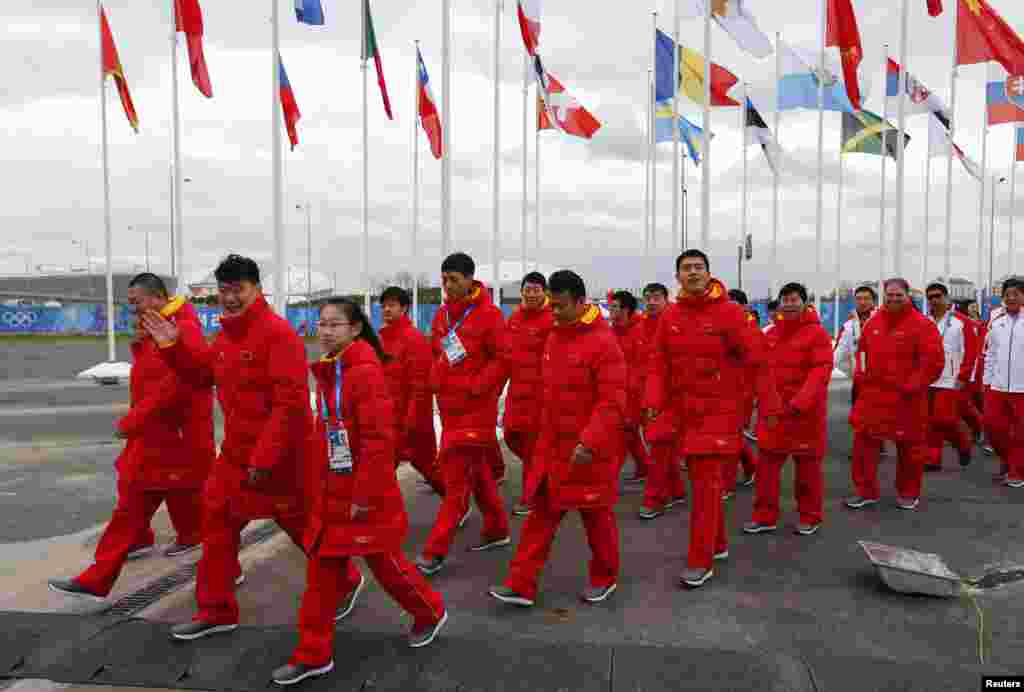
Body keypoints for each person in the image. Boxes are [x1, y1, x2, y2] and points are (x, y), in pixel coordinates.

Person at [139, 255, 348, 641]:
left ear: (256, 289)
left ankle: (346, 580)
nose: (230, 298)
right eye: (224, 290)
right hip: (235, 457)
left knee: (303, 527)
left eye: (238, 289)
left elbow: (291, 404)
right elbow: (203, 376)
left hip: (280, 458)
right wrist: (173, 347)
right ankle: (216, 610)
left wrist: (265, 459)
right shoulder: (226, 336)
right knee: (216, 523)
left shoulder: (278, 334)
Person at [271, 299, 448, 686]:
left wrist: (363, 496)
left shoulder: (363, 373)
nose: (326, 331)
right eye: (321, 324)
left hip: (363, 496)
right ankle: (312, 654)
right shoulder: (333, 369)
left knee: (389, 568)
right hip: (332, 491)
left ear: (354, 329)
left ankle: (430, 612)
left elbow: (377, 440)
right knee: (320, 577)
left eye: (335, 324)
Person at [48, 274, 218, 602]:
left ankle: (99, 577)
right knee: (166, 492)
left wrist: (132, 422)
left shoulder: (182, 328)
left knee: (134, 502)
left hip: (170, 437)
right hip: (163, 435)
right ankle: (188, 540)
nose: (131, 308)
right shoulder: (161, 324)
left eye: (136, 301)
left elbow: (177, 386)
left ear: (157, 298)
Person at [644, 250, 781, 588]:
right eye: (686, 269)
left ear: (708, 273)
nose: (693, 273)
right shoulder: (671, 316)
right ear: (677, 276)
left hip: (720, 413)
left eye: (698, 267)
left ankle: (699, 559)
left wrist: (770, 404)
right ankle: (717, 543)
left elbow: (757, 360)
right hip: (685, 413)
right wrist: (652, 400)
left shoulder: (730, 314)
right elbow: (660, 361)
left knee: (705, 488)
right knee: (704, 485)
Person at [489, 270, 626, 607]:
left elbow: (612, 401)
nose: (554, 312)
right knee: (541, 516)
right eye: (552, 305)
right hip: (553, 448)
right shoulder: (554, 335)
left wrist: (589, 442)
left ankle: (605, 576)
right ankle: (520, 583)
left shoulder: (604, 343)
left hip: (588, 451)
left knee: (597, 518)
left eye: (561, 306)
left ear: (581, 302)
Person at [416, 253, 510, 575]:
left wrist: (476, 386)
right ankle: (498, 528)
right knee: (478, 471)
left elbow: (502, 360)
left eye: (454, 279)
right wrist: (434, 378)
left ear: (471, 279)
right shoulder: (442, 315)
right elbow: (437, 350)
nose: (448, 285)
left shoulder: (490, 315)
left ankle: (435, 549)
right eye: (444, 279)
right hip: (450, 409)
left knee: (455, 484)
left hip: (476, 410)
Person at [846, 278, 945, 511]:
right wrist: (861, 377)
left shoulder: (922, 325)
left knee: (909, 449)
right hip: (873, 397)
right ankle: (865, 491)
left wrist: (912, 386)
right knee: (863, 446)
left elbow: (933, 363)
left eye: (898, 295)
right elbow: (862, 354)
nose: (893, 299)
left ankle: (908, 493)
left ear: (908, 295)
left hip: (907, 399)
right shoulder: (874, 322)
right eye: (889, 295)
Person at [744, 283, 832, 536]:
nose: (789, 304)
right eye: (785, 299)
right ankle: (764, 517)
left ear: (804, 303)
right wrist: (762, 399)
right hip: (774, 415)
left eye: (795, 299)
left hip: (805, 415)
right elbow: (759, 371)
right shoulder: (770, 334)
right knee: (766, 472)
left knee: (807, 473)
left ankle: (810, 516)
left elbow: (820, 371)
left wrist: (799, 403)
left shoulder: (817, 334)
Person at [378, 286, 445, 496]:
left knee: (428, 466)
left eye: (392, 305)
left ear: (404, 308)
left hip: (411, 419)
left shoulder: (413, 339)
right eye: (384, 306)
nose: (386, 309)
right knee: (381, 470)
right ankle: (379, 516)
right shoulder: (381, 339)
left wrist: (412, 421)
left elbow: (420, 385)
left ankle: (456, 501)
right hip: (389, 419)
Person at [502, 272, 556, 517]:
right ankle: (545, 471)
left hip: (540, 394)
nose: (531, 293)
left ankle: (531, 497)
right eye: (528, 289)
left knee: (533, 447)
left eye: (536, 289)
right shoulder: (513, 319)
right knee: (512, 436)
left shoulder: (550, 319)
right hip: (516, 392)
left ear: (544, 292)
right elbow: (504, 354)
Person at [923, 283, 978, 471]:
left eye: (938, 296)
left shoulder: (961, 321)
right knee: (929, 421)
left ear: (947, 298)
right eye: (930, 297)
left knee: (944, 419)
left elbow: (971, 351)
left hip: (951, 379)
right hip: (927, 378)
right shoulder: (924, 322)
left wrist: (963, 376)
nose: (934, 300)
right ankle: (933, 458)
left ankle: (963, 444)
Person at [982, 277, 1024, 488]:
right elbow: (990, 354)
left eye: (1016, 294)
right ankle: (1009, 461)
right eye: (1007, 294)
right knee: (992, 426)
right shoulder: (997, 321)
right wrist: (986, 382)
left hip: (1022, 388)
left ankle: (1017, 470)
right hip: (997, 386)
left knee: (1020, 433)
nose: (1011, 298)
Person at [608, 290, 653, 482]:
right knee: (629, 433)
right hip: (619, 390)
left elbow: (641, 365)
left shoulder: (639, 329)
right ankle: (645, 468)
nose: (610, 311)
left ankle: (609, 476)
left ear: (626, 309)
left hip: (636, 392)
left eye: (614, 307)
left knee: (625, 434)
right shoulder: (612, 330)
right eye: (610, 307)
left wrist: (632, 389)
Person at [723, 288, 759, 498]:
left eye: (735, 304)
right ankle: (752, 467)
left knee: (729, 437)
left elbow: (756, 364)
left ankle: (726, 485)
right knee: (733, 436)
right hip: (723, 390)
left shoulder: (750, 329)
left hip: (742, 391)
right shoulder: (721, 327)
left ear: (744, 307)